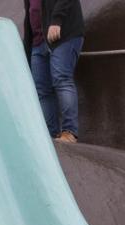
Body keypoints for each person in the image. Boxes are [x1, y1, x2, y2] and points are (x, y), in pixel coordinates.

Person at [23, 0, 85, 143]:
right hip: (38, 42)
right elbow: (30, 17)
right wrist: (27, 52)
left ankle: (69, 132)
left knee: (62, 80)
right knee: (42, 90)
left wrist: (56, 20)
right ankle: (50, 134)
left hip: (64, 35)